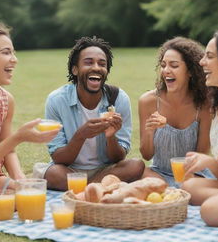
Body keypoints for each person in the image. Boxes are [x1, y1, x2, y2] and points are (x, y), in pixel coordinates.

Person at [33, 36, 145, 191]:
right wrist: (81, 135)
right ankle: (97, 189)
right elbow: (58, 157)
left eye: (102, 64)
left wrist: (110, 136)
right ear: (75, 69)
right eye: (88, 62)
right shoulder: (57, 100)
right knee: (54, 173)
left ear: (107, 71)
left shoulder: (119, 99)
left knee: (136, 166)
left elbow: (119, 158)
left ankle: (83, 190)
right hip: (69, 171)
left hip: (105, 170)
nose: (96, 67)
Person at [0, 23, 60, 217]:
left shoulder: (6, 101)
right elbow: (10, 144)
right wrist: (18, 137)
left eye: (13, 53)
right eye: (6, 53)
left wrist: (20, 179)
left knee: (32, 195)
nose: (14, 60)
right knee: (1, 206)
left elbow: (9, 152)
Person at [138, 37, 213, 187]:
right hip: (159, 173)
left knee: (191, 190)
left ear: (191, 71)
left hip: (193, 175)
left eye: (174, 65)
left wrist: (184, 180)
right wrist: (149, 131)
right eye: (163, 65)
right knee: (140, 173)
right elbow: (147, 155)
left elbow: (201, 156)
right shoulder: (148, 101)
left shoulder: (204, 106)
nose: (166, 71)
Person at [182, 29, 218, 227]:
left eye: (209, 56)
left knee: (210, 211)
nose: (202, 62)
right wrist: (209, 162)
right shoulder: (216, 106)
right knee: (189, 187)